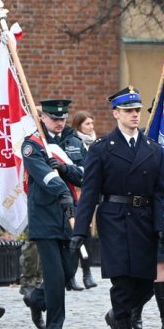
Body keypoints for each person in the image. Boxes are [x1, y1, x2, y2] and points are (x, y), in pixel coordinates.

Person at [70, 87, 164, 329]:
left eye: (137, 110)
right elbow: (89, 193)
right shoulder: (102, 149)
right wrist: (81, 231)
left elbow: (160, 193)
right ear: (116, 114)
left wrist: (162, 226)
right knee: (122, 281)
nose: (134, 115)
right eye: (128, 111)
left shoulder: (153, 149)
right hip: (115, 217)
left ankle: (117, 315)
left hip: (144, 219)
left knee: (146, 283)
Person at [20, 99, 83, 329]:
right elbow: (41, 174)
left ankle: (36, 298)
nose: (59, 123)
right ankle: (55, 325)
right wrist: (62, 190)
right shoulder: (32, 144)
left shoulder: (73, 143)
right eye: (54, 118)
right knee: (55, 273)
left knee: (68, 270)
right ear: (43, 118)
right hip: (45, 214)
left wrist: (66, 169)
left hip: (72, 215)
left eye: (63, 118)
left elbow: (86, 174)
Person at [71, 109, 98, 289]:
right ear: (78, 125)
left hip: (90, 194)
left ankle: (87, 272)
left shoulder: (95, 143)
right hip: (76, 193)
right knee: (75, 234)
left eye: (92, 123)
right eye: (87, 124)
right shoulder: (74, 143)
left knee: (87, 235)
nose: (91, 127)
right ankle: (71, 275)